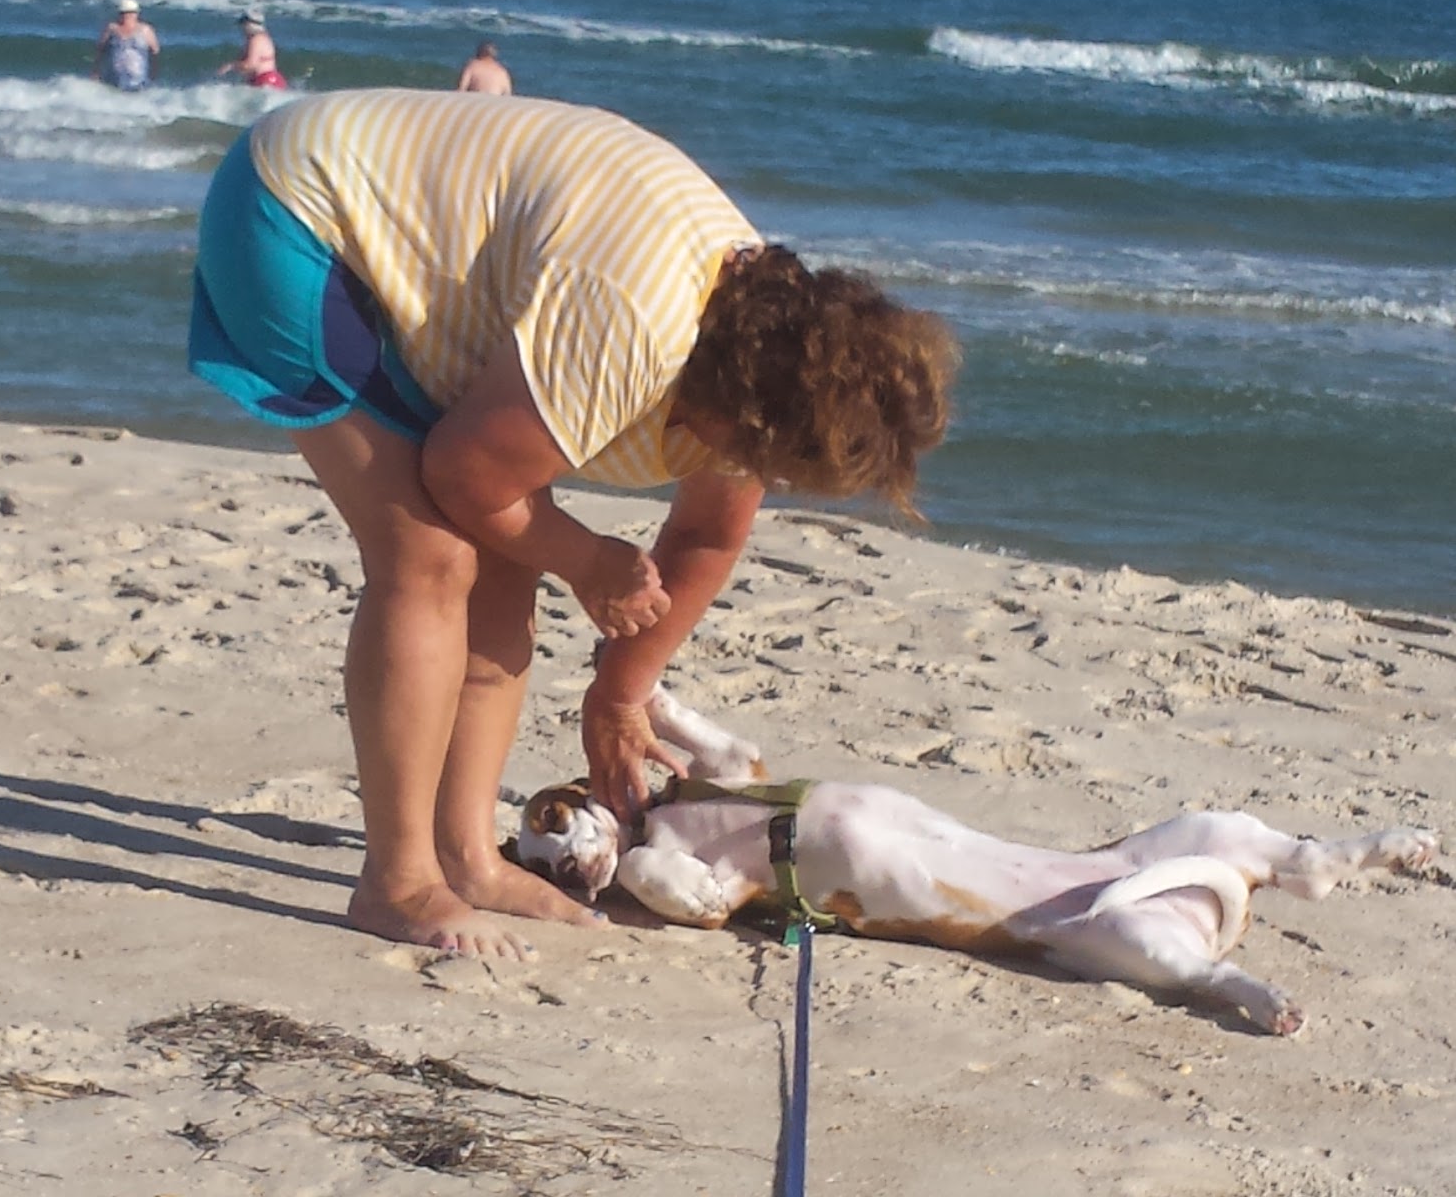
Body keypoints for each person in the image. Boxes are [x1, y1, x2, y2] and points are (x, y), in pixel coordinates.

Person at [188, 88, 958, 958]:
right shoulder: (637, 327)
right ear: (750, 410)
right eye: (773, 461)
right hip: (301, 210)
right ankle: (396, 883)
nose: (768, 479)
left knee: (504, 559)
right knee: (431, 556)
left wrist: (619, 693)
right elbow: (465, 473)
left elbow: (706, 536)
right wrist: (589, 560)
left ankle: (466, 859)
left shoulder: (767, 344)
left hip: (419, 242)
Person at [93, 0, 160, 91]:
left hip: (136, 80)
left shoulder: (145, 29)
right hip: (117, 79)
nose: (127, 16)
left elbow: (155, 52)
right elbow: (100, 49)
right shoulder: (112, 28)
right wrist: (96, 71)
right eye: (125, 14)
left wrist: (153, 74)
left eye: (129, 13)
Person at [218, 9, 288, 89]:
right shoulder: (263, 38)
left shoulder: (256, 40)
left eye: (243, 25)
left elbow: (250, 64)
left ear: (249, 25)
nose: (242, 28)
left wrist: (231, 66)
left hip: (266, 80)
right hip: (269, 79)